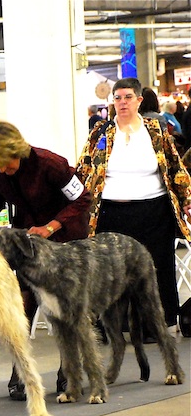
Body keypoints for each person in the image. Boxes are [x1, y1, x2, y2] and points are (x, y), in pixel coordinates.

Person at [0, 120, 92, 399]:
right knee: (23, 306)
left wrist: (52, 226)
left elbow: (83, 199)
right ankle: (21, 371)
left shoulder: (51, 164)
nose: (2, 170)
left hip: (65, 241)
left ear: (16, 150)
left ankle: (69, 371)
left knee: (64, 308)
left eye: (5, 164)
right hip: (28, 245)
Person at [76, 77, 191, 333]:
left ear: (139, 100)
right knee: (110, 270)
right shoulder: (100, 132)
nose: (122, 102)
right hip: (110, 212)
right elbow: (83, 168)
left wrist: (186, 201)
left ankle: (155, 325)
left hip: (153, 210)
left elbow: (175, 168)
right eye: (117, 98)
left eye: (128, 97)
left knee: (155, 267)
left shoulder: (156, 130)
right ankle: (111, 325)